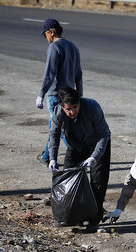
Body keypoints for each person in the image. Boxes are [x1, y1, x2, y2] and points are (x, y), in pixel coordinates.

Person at [48, 87, 111, 225]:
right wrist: (52, 158)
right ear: (62, 107)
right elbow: (54, 135)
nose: (72, 112)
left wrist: (94, 156)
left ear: (79, 103)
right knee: (68, 178)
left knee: (98, 182)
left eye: (75, 107)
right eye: (68, 109)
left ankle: (95, 218)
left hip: (97, 144)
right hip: (76, 145)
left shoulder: (92, 107)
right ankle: (73, 216)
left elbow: (104, 134)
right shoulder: (58, 112)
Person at [36, 18, 83, 165]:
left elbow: (50, 74)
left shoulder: (54, 48)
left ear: (52, 32)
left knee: (60, 129)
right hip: (69, 94)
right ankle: (46, 157)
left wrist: (41, 94)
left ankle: (78, 154)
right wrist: (79, 94)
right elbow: (79, 74)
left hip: (56, 95)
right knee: (54, 126)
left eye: (46, 35)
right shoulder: (73, 47)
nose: (46, 38)